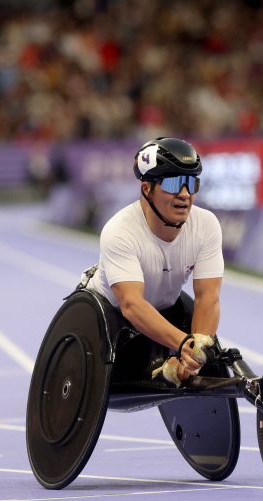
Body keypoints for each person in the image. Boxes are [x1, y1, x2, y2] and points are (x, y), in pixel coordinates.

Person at [83, 137, 224, 387]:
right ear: (146, 189)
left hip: (166, 315)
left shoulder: (207, 225)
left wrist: (196, 354)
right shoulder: (119, 230)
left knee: (209, 353)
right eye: (172, 183)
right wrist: (183, 344)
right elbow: (131, 304)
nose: (184, 194)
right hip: (110, 322)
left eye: (191, 184)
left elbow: (207, 297)